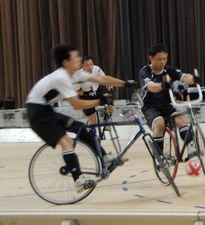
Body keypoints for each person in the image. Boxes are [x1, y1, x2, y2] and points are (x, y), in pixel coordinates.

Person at [26, 43, 138, 192]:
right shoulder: (61, 77)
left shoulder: (75, 74)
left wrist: (125, 83)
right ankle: (78, 180)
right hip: (37, 113)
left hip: (45, 110)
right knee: (66, 141)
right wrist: (100, 101)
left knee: (81, 128)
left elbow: (101, 80)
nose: (79, 58)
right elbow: (77, 104)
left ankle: (104, 156)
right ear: (66, 62)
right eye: (76, 56)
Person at [139, 44, 202, 159]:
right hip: (150, 107)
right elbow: (150, 86)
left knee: (180, 118)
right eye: (159, 59)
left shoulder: (168, 70)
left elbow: (183, 76)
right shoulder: (145, 71)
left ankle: (192, 146)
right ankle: (159, 157)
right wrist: (163, 85)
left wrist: (193, 79)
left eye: (164, 59)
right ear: (151, 58)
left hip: (166, 105)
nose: (162, 62)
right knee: (160, 123)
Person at [74, 56, 112, 125]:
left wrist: (108, 85)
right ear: (82, 66)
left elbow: (104, 78)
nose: (90, 67)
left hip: (96, 91)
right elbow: (75, 91)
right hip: (85, 96)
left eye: (91, 64)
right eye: (87, 65)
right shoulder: (78, 76)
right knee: (93, 122)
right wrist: (85, 94)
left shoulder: (96, 69)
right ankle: (89, 132)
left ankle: (106, 120)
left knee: (110, 102)